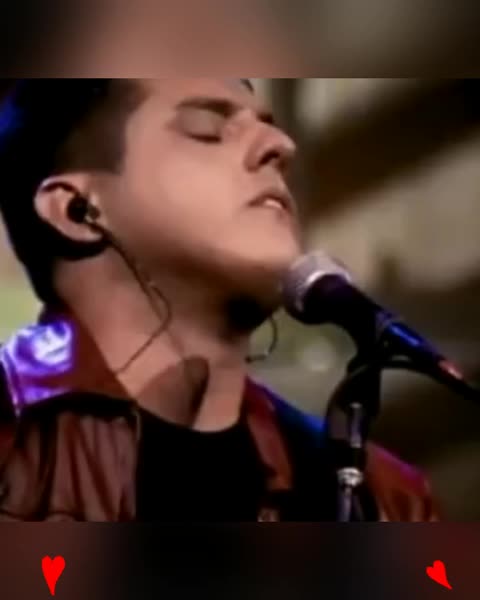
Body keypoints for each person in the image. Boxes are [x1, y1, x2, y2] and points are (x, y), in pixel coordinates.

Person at [0, 78, 438, 521]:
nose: (280, 144)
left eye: (268, 124)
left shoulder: (387, 501)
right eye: (207, 129)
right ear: (77, 209)